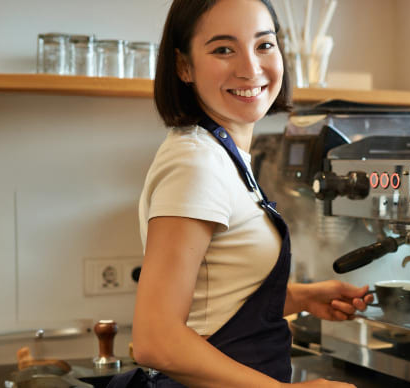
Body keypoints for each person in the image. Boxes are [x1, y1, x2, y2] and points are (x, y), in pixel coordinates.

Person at [108, 0, 372, 387]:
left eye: (264, 45)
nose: (250, 68)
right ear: (183, 66)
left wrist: (300, 298)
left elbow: (214, 298)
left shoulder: (219, 154)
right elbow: (155, 341)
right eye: (223, 49)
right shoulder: (197, 164)